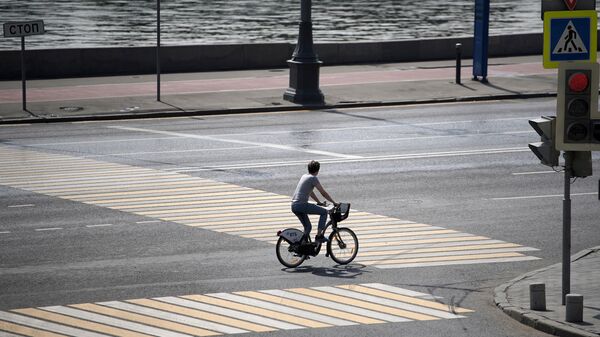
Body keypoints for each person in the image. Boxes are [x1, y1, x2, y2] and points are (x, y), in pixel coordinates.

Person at [291, 160, 336, 243]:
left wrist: (318, 202)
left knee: (308, 227)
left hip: (294, 205)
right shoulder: (313, 178)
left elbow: (310, 192)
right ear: (317, 170)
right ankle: (319, 236)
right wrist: (334, 202)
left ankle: (302, 248)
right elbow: (323, 193)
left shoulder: (304, 176)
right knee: (324, 212)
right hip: (301, 205)